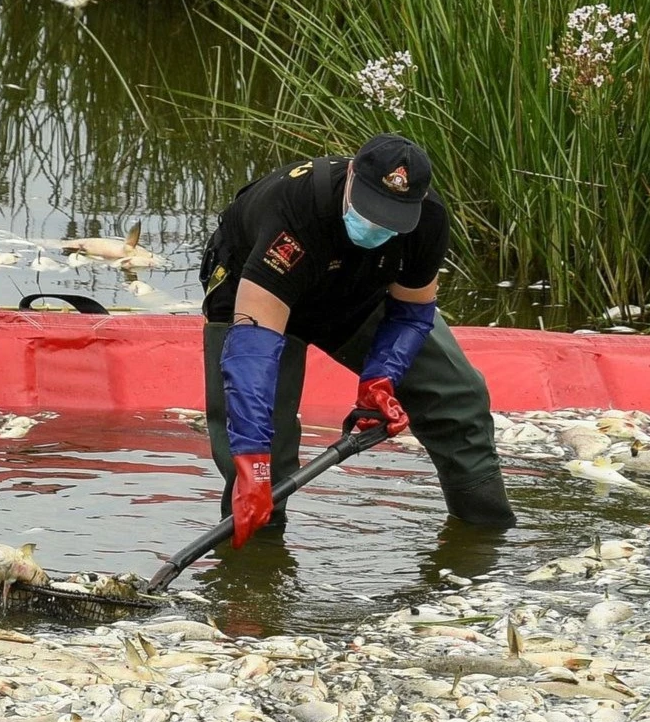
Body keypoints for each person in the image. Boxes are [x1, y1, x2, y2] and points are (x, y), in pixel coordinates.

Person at [199, 133, 516, 548]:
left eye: (390, 219)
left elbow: (412, 313)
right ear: (350, 175)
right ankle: (253, 571)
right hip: (255, 291)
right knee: (265, 456)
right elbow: (252, 358)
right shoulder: (295, 210)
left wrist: (381, 378)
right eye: (369, 211)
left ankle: (486, 539)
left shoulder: (429, 221)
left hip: (356, 292)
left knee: (458, 396)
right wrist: (254, 464)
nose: (376, 224)